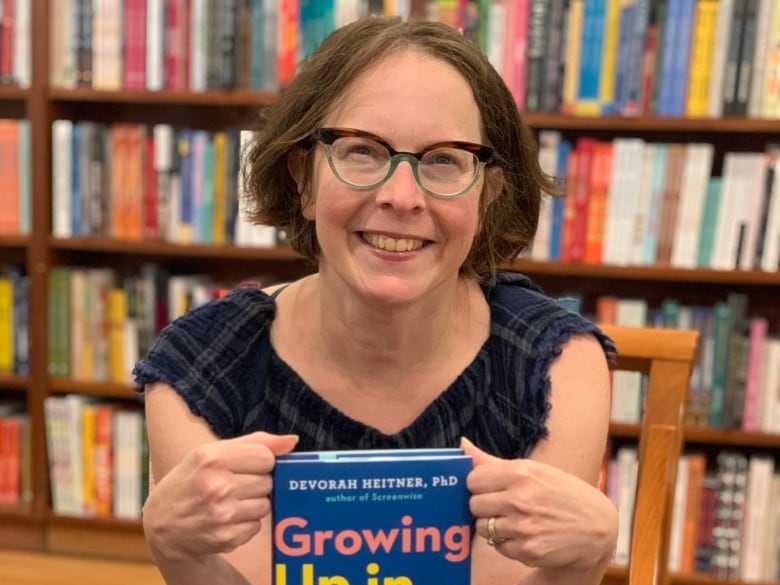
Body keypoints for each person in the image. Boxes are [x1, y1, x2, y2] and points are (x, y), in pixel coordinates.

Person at [134, 15, 618, 585]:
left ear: (487, 193)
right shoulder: (201, 368)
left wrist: (581, 566)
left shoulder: (556, 366)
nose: (401, 197)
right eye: (362, 150)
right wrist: (179, 554)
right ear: (303, 180)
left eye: (444, 159)